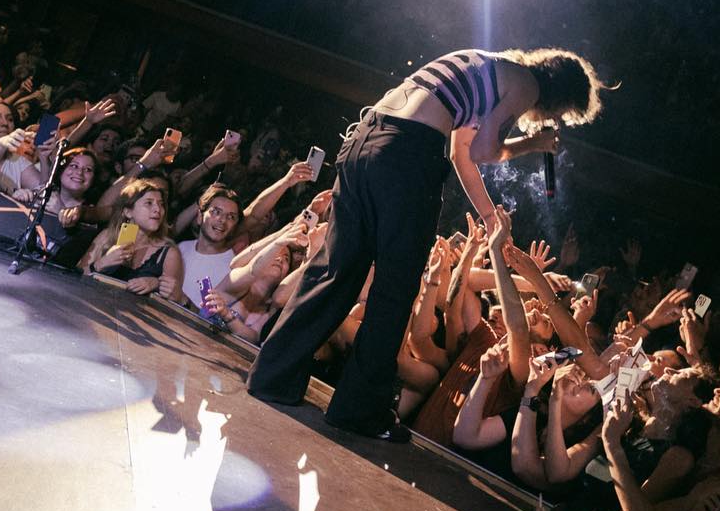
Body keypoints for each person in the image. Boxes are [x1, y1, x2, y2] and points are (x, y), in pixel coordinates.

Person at [248, 47, 610, 439]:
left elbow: (459, 154)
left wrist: (490, 219)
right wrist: (531, 145)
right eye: (560, 113)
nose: (552, 119)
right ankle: (358, 409)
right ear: (560, 93)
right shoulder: (525, 83)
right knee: (396, 286)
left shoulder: (484, 69)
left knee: (335, 270)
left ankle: (272, 376)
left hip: (365, 139)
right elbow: (483, 151)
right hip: (406, 155)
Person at [81, 176, 183, 300]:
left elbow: (172, 299)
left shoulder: (169, 253)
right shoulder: (107, 236)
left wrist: (156, 283)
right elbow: (73, 277)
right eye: (149, 203)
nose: (158, 210)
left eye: (161, 204)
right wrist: (101, 264)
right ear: (128, 212)